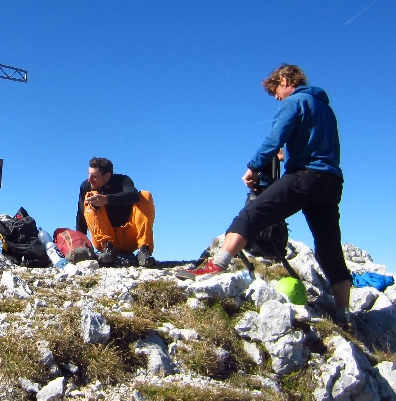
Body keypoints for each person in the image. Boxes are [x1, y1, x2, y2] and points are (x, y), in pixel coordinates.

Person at [175, 65, 352, 323]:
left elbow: (275, 137)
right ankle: (343, 313)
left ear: (284, 80)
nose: (277, 98)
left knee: (251, 215)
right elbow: (316, 143)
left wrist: (253, 166)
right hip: (331, 181)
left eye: (275, 92)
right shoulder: (324, 107)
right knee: (329, 247)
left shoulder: (295, 101)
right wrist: (288, 156)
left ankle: (215, 266)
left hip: (305, 177)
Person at [77, 157, 157, 268]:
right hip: (105, 241)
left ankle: (144, 250)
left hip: (130, 238)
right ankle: (108, 249)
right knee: (90, 197)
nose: (89, 179)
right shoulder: (86, 186)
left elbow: (133, 195)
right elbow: (81, 214)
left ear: (108, 176)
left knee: (145, 195)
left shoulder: (122, 180)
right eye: (89, 174)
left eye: (94, 176)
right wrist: (79, 244)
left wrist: (106, 199)